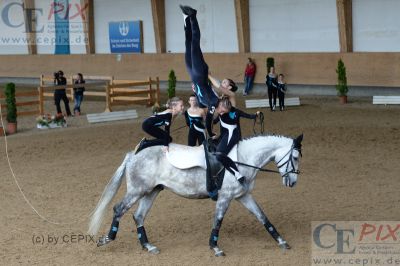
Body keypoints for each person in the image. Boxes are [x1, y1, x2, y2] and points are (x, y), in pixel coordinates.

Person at [180, 5, 237, 137]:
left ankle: (185, 19)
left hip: (193, 76)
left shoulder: (208, 105)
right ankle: (192, 16)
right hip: (200, 73)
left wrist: (195, 91)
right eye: (223, 110)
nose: (221, 111)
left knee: (188, 45)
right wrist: (211, 132)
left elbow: (204, 109)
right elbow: (210, 119)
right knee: (194, 45)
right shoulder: (214, 102)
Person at [209, 96, 260, 198]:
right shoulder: (220, 112)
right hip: (224, 135)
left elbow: (249, 116)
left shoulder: (236, 111)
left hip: (233, 136)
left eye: (224, 111)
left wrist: (256, 115)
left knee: (219, 155)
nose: (222, 113)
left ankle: (238, 175)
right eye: (221, 110)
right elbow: (213, 121)